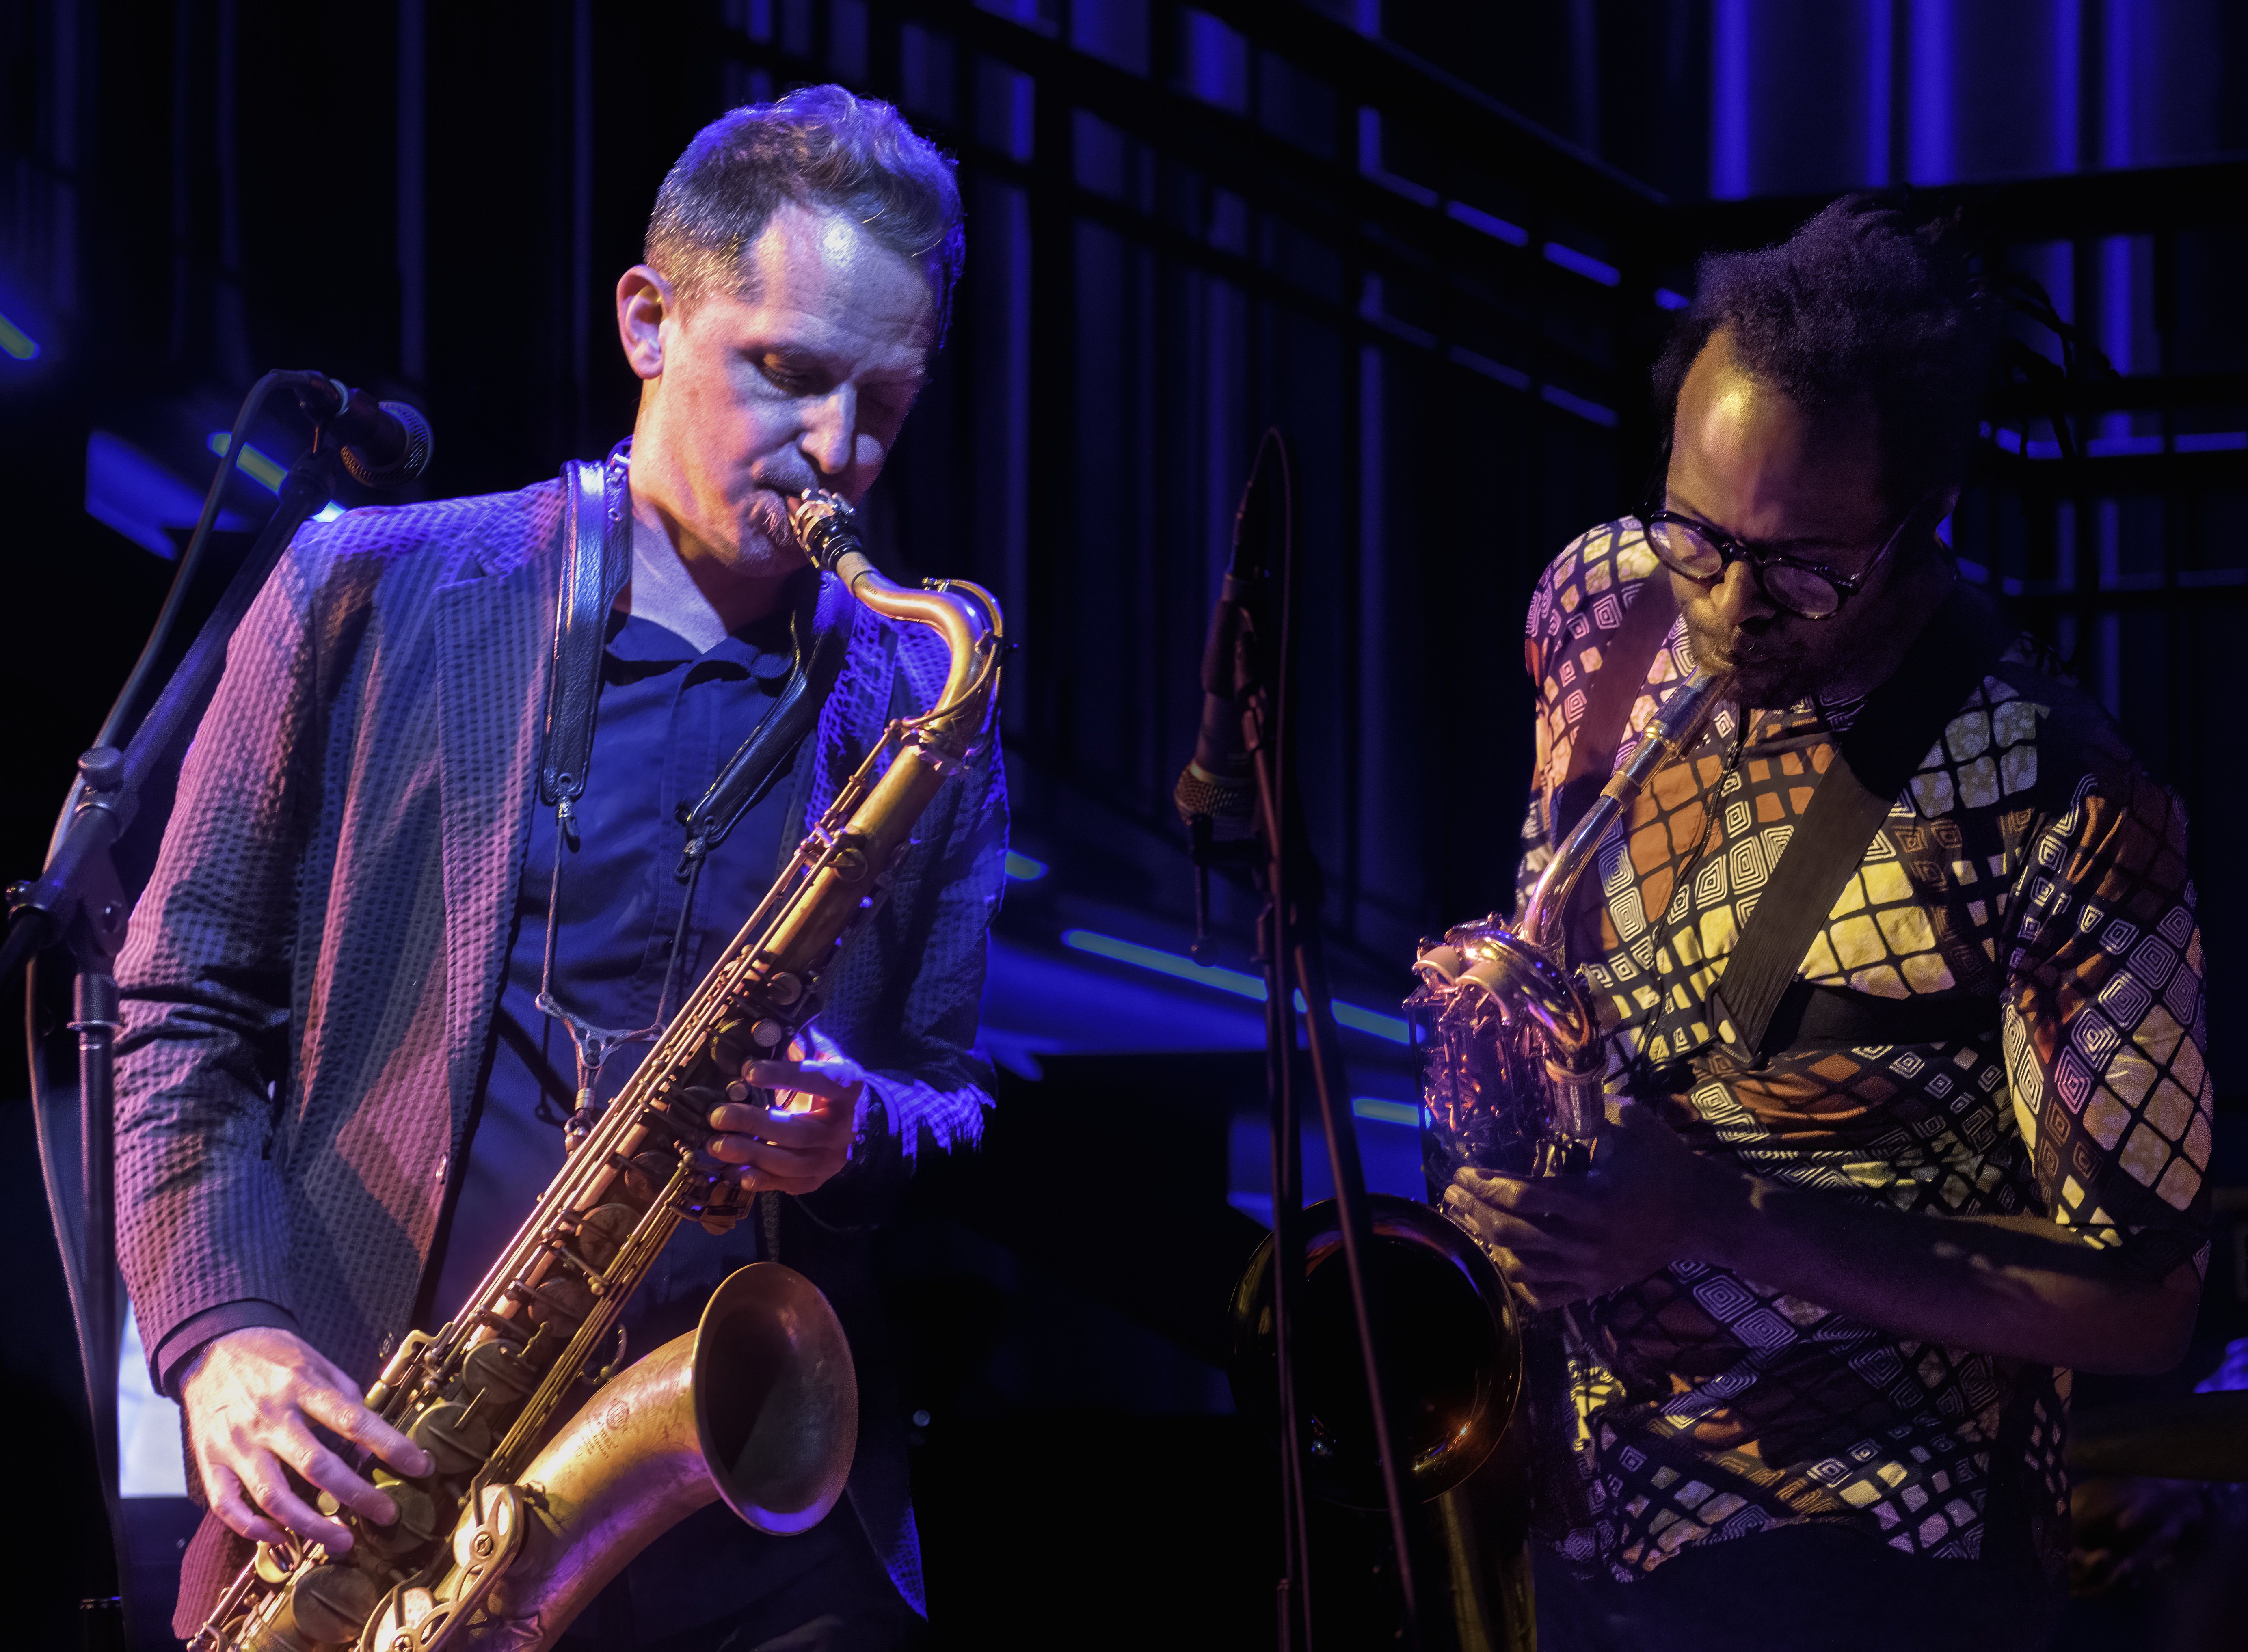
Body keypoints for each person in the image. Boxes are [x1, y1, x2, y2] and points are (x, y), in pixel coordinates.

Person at [113, 86, 1004, 1650]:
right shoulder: (364, 587)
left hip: (753, 1544)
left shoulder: (924, 692)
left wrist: (858, 1127)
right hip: (375, 1498)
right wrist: (219, 1339)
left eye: (886, 400)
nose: (840, 450)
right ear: (648, 322)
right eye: (788, 375)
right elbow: (178, 1001)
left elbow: (951, 1088)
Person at [1439, 197, 2211, 1651]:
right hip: (1581, 1506)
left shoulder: (2062, 797)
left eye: (1804, 567)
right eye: (1700, 532)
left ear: (1929, 523)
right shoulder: (1603, 605)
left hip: (1872, 1553)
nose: (1733, 606)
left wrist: (1722, 1215)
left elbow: (2144, 1301)